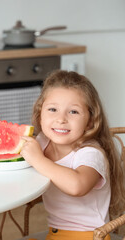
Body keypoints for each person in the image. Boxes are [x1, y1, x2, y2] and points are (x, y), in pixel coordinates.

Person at [18, 70, 125, 240]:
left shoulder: (91, 153)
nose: (61, 119)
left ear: (90, 120)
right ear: (40, 115)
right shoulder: (43, 141)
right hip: (55, 234)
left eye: (73, 112)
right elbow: (19, 150)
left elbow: (77, 186)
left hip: (91, 235)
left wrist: (38, 159)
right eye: (52, 109)